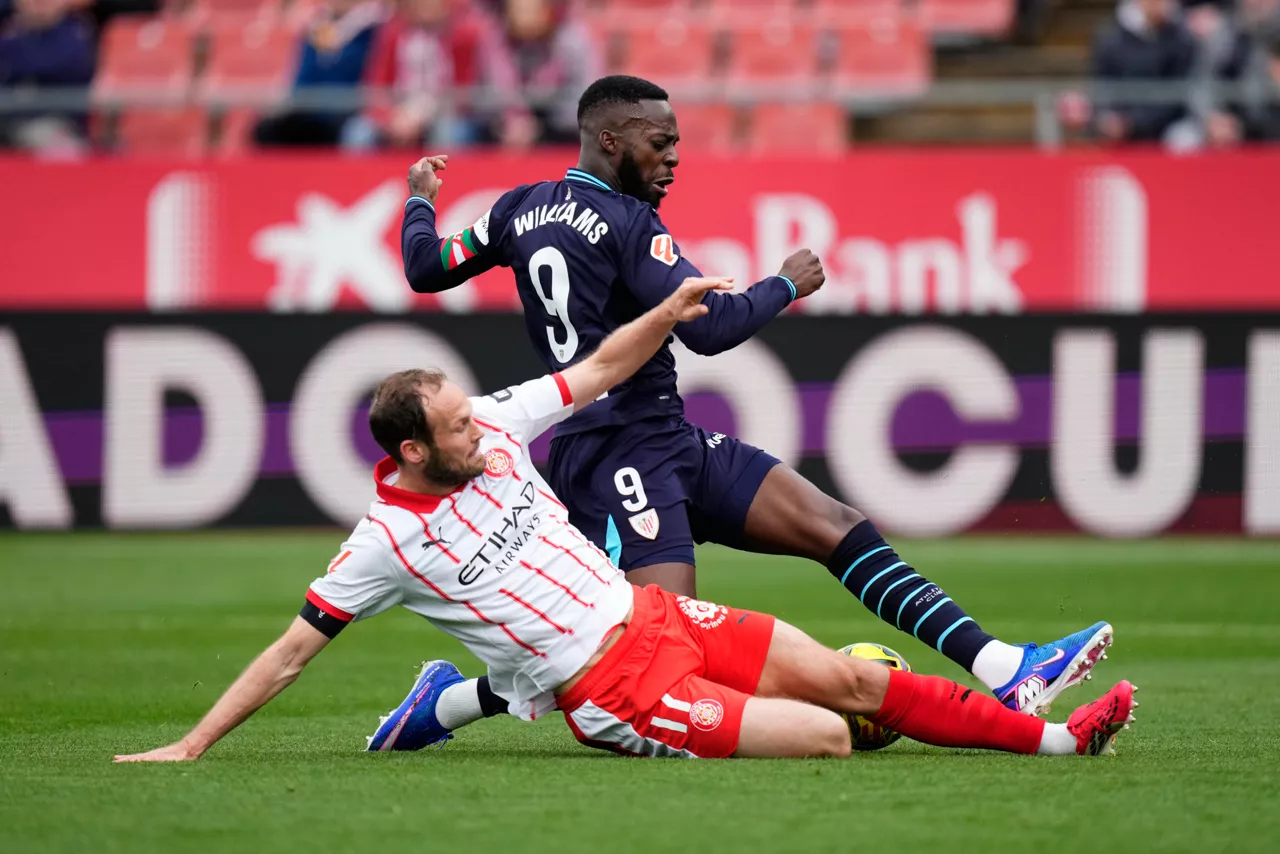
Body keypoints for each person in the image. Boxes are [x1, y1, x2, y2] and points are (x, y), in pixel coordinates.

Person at [113, 277, 1138, 763]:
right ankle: (466, 699)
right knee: (830, 737)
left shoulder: (500, 424)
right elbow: (291, 651)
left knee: (856, 680)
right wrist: (192, 743)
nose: (480, 422)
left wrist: (673, 307)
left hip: (658, 624)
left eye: (472, 406)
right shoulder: (382, 543)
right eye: (455, 423)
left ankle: (1057, 741)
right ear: (410, 453)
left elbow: (598, 368)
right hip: (606, 689)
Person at [394, 75, 1113, 743]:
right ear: (609, 140)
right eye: (659, 141)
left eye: (676, 142)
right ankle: (449, 703)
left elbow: (426, 266)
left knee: (834, 526)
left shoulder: (518, 209)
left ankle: (1004, 668)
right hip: (610, 451)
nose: (674, 158)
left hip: (664, 436)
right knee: (651, 661)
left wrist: (421, 197)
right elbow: (710, 329)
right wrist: (785, 285)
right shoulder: (626, 221)